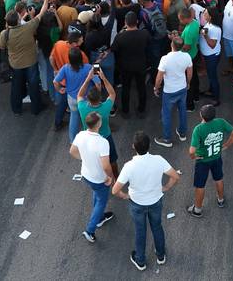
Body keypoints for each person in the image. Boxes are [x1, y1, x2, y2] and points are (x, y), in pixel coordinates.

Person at [112, 131, 181, 271]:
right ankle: (161, 256)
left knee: (140, 230)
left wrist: (125, 196)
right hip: (155, 200)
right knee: (157, 227)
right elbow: (175, 176)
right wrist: (166, 187)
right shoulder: (159, 160)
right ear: (149, 146)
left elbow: (115, 190)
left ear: (133, 147)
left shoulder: (129, 166)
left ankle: (140, 260)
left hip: (137, 203)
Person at [0, 0, 54, 116]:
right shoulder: (28, 27)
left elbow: (1, 46)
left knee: (16, 87)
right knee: (33, 86)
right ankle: (36, 108)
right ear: (18, 19)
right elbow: (42, 12)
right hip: (30, 62)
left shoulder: (4, 34)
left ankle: (16, 109)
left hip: (16, 65)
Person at [70, 112, 115, 243]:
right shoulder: (102, 142)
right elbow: (106, 166)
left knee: (97, 194)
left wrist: (84, 159)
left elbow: (72, 151)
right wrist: (110, 177)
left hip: (86, 174)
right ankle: (90, 230)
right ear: (98, 124)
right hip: (99, 178)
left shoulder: (81, 135)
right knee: (102, 201)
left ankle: (100, 217)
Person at [187, 104, 233, 217]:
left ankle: (197, 209)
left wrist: (193, 157)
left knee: (200, 185)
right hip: (216, 157)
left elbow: (192, 151)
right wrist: (226, 145)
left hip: (203, 161)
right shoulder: (221, 122)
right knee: (218, 178)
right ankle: (221, 200)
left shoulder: (198, 129)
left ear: (201, 116)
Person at [77, 62, 119, 178]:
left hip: (89, 139)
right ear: (100, 98)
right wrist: (103, 78)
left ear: (88, 99)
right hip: (105, 137)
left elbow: (79, 95)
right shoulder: (105, 108)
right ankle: (115, 178)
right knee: (112, 160)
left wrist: (88, 78)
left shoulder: (82, 107)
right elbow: (112, 93)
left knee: (94, 160)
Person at [154, 37, 193, 148]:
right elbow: (190, 72)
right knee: (182, 110)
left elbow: (159, 77)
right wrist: (188, 83)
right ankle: (182, 133)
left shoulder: (165, 59)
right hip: (182, 88)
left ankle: (167, 139)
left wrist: (156, 88)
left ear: (172, 44)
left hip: (169, 91)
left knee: (166, 114)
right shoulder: (187, 56)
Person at [112, 11, 151, 116]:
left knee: (126, 88)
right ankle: (141, 110)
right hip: (141, 65)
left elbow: (114, 49)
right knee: (141, 88)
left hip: (125, 67)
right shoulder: (145, 34)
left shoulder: (120, 37)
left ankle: (125, 111)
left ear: (125, 22)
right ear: (137, 22)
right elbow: (149, 45)